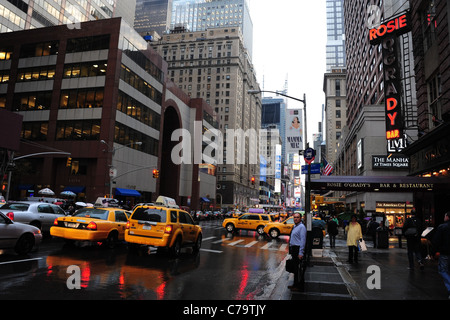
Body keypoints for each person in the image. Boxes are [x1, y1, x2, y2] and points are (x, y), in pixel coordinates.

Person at [431, 212, 450, 299]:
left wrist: (433, 252)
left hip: (445, 252)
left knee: (443, 270)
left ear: (447, 217)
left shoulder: (442, 227)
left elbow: (436, 241)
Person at [288, 213, 307, 290]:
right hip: (294, 249)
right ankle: (295, 284)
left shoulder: (302, 227)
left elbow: (303, 240)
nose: (295, 219)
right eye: (294, 217)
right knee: (295, 268)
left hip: (298, 249)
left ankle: (299, 286)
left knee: (298, 269)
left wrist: (301, 252)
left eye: (297, 217)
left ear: (300, 218)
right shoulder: (295, 226)